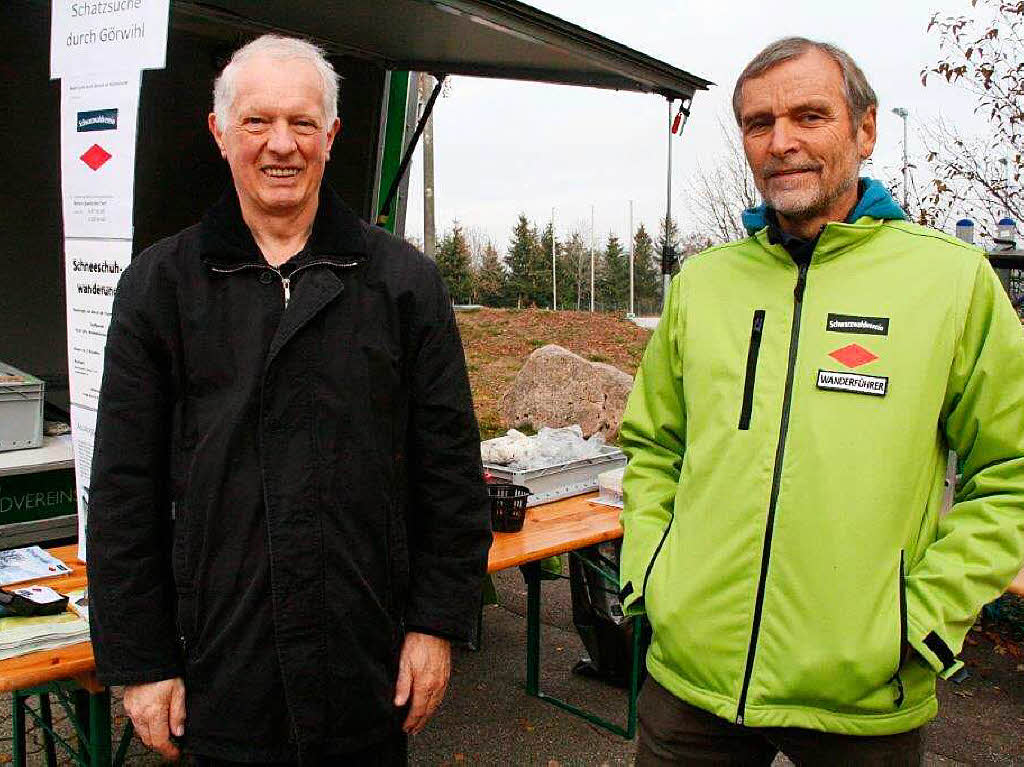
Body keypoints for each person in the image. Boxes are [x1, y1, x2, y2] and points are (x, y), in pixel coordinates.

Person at [618, 37, 1024, 765]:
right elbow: (653, 447)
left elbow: (1014, 470)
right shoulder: (705, 284)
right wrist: (652, 575)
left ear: (864, 130)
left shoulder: (950, 282)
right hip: (692, 683)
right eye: (758, 123)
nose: (783, 142)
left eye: (810, 115)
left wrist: (923, 618)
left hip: (862, 692)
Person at [87, 34, 491, 765]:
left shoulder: (402, 284)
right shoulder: (160, 287)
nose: (282, 145)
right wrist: (141, 660)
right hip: (217, 665)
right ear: (219, 133)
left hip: (364, 666)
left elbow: (452, 476)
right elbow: (122, 490)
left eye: (303, 123)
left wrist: (436, 622)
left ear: (331, 136)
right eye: (257, 122)